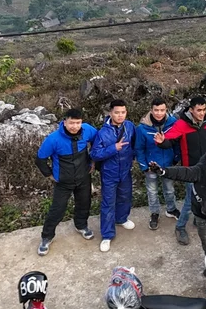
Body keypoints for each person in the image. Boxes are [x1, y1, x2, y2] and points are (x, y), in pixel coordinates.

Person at [36, 107, 99, 255]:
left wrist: (93, 162)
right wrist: (50, 175)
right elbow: (40, 159)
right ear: (64, 122)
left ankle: (81, 225)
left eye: (78, 123)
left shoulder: (88, 130)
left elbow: (98, 141)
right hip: (63, 181)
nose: (75, 126)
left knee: (84, 203)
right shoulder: (53, 139)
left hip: (83, 177)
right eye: (71, 123)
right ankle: (46, 237)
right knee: (57, 209)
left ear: (82, 122)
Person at [160, 95, 206, 246]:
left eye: (204, 109)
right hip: (191, 170)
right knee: (189, 201)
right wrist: (162, 142)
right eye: (199, 110)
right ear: (191, 110)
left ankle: (197, 219)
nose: (202, 113)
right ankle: (180, 227)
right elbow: (169, 139)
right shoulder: (182, 124)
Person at [92, 99, 138, 252]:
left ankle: (121, 218)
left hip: (125, 170)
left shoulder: (130, 126)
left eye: (123, 112)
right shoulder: (102, 132)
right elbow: (95, 154)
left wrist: (134, 158)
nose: (120, 115)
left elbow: (135, 144)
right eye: (117, 112)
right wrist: (114, 148)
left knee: (125, 196)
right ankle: (107, 235)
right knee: (108, 203)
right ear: (110, 113)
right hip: (109, 173)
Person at [135, 97, 181, 232]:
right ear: (151, 110)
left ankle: (171, 209)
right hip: (151, 165)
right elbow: (139, 148)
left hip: (168, 164)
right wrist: (144, 166)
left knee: (169, 189)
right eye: (156, 110)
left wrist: (176, 158)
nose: (159, 113)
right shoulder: (142, 128)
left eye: (162, 110)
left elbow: (177, 142)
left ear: (166, 109)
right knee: (152, 191)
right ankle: (154, 213)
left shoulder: (173, 123)